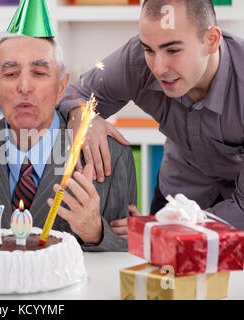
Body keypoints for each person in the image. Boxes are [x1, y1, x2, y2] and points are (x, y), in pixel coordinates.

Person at [0, 31, 137, 251]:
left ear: (61, 87)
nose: (24, 87)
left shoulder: (110, 154)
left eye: (39, 73)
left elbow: (126, 255)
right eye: (11, 73)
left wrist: (95, 232)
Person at [59, 0, 244, 233]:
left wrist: (160, 227)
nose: (158, 67)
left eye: (173, 50)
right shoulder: (136, 60)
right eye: (149, 49)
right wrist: (82, 114)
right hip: (176, 196)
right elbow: (76, 92)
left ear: (211, 41)